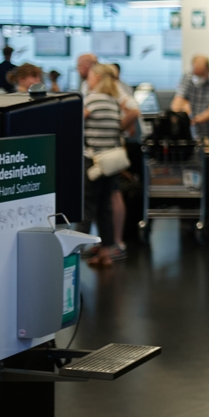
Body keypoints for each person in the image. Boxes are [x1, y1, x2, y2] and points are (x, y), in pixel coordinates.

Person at [80, 64, 127, 266]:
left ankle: (72, 251)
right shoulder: (113, 102)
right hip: (111, 163)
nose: (87, 80)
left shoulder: (91, 99)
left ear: (97, 77)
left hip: (93, 162)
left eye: (89, 76)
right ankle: (106, 254)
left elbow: (77, 121)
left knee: (86, 208)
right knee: (104, 208)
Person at [171, 55, 209, 149]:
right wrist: (177, 115)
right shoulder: (187, 78)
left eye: (201, 74)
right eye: (196, 74)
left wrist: (194, 120)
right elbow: (178, 99)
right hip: (197, 136)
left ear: (208, 70)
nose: (198, 77)